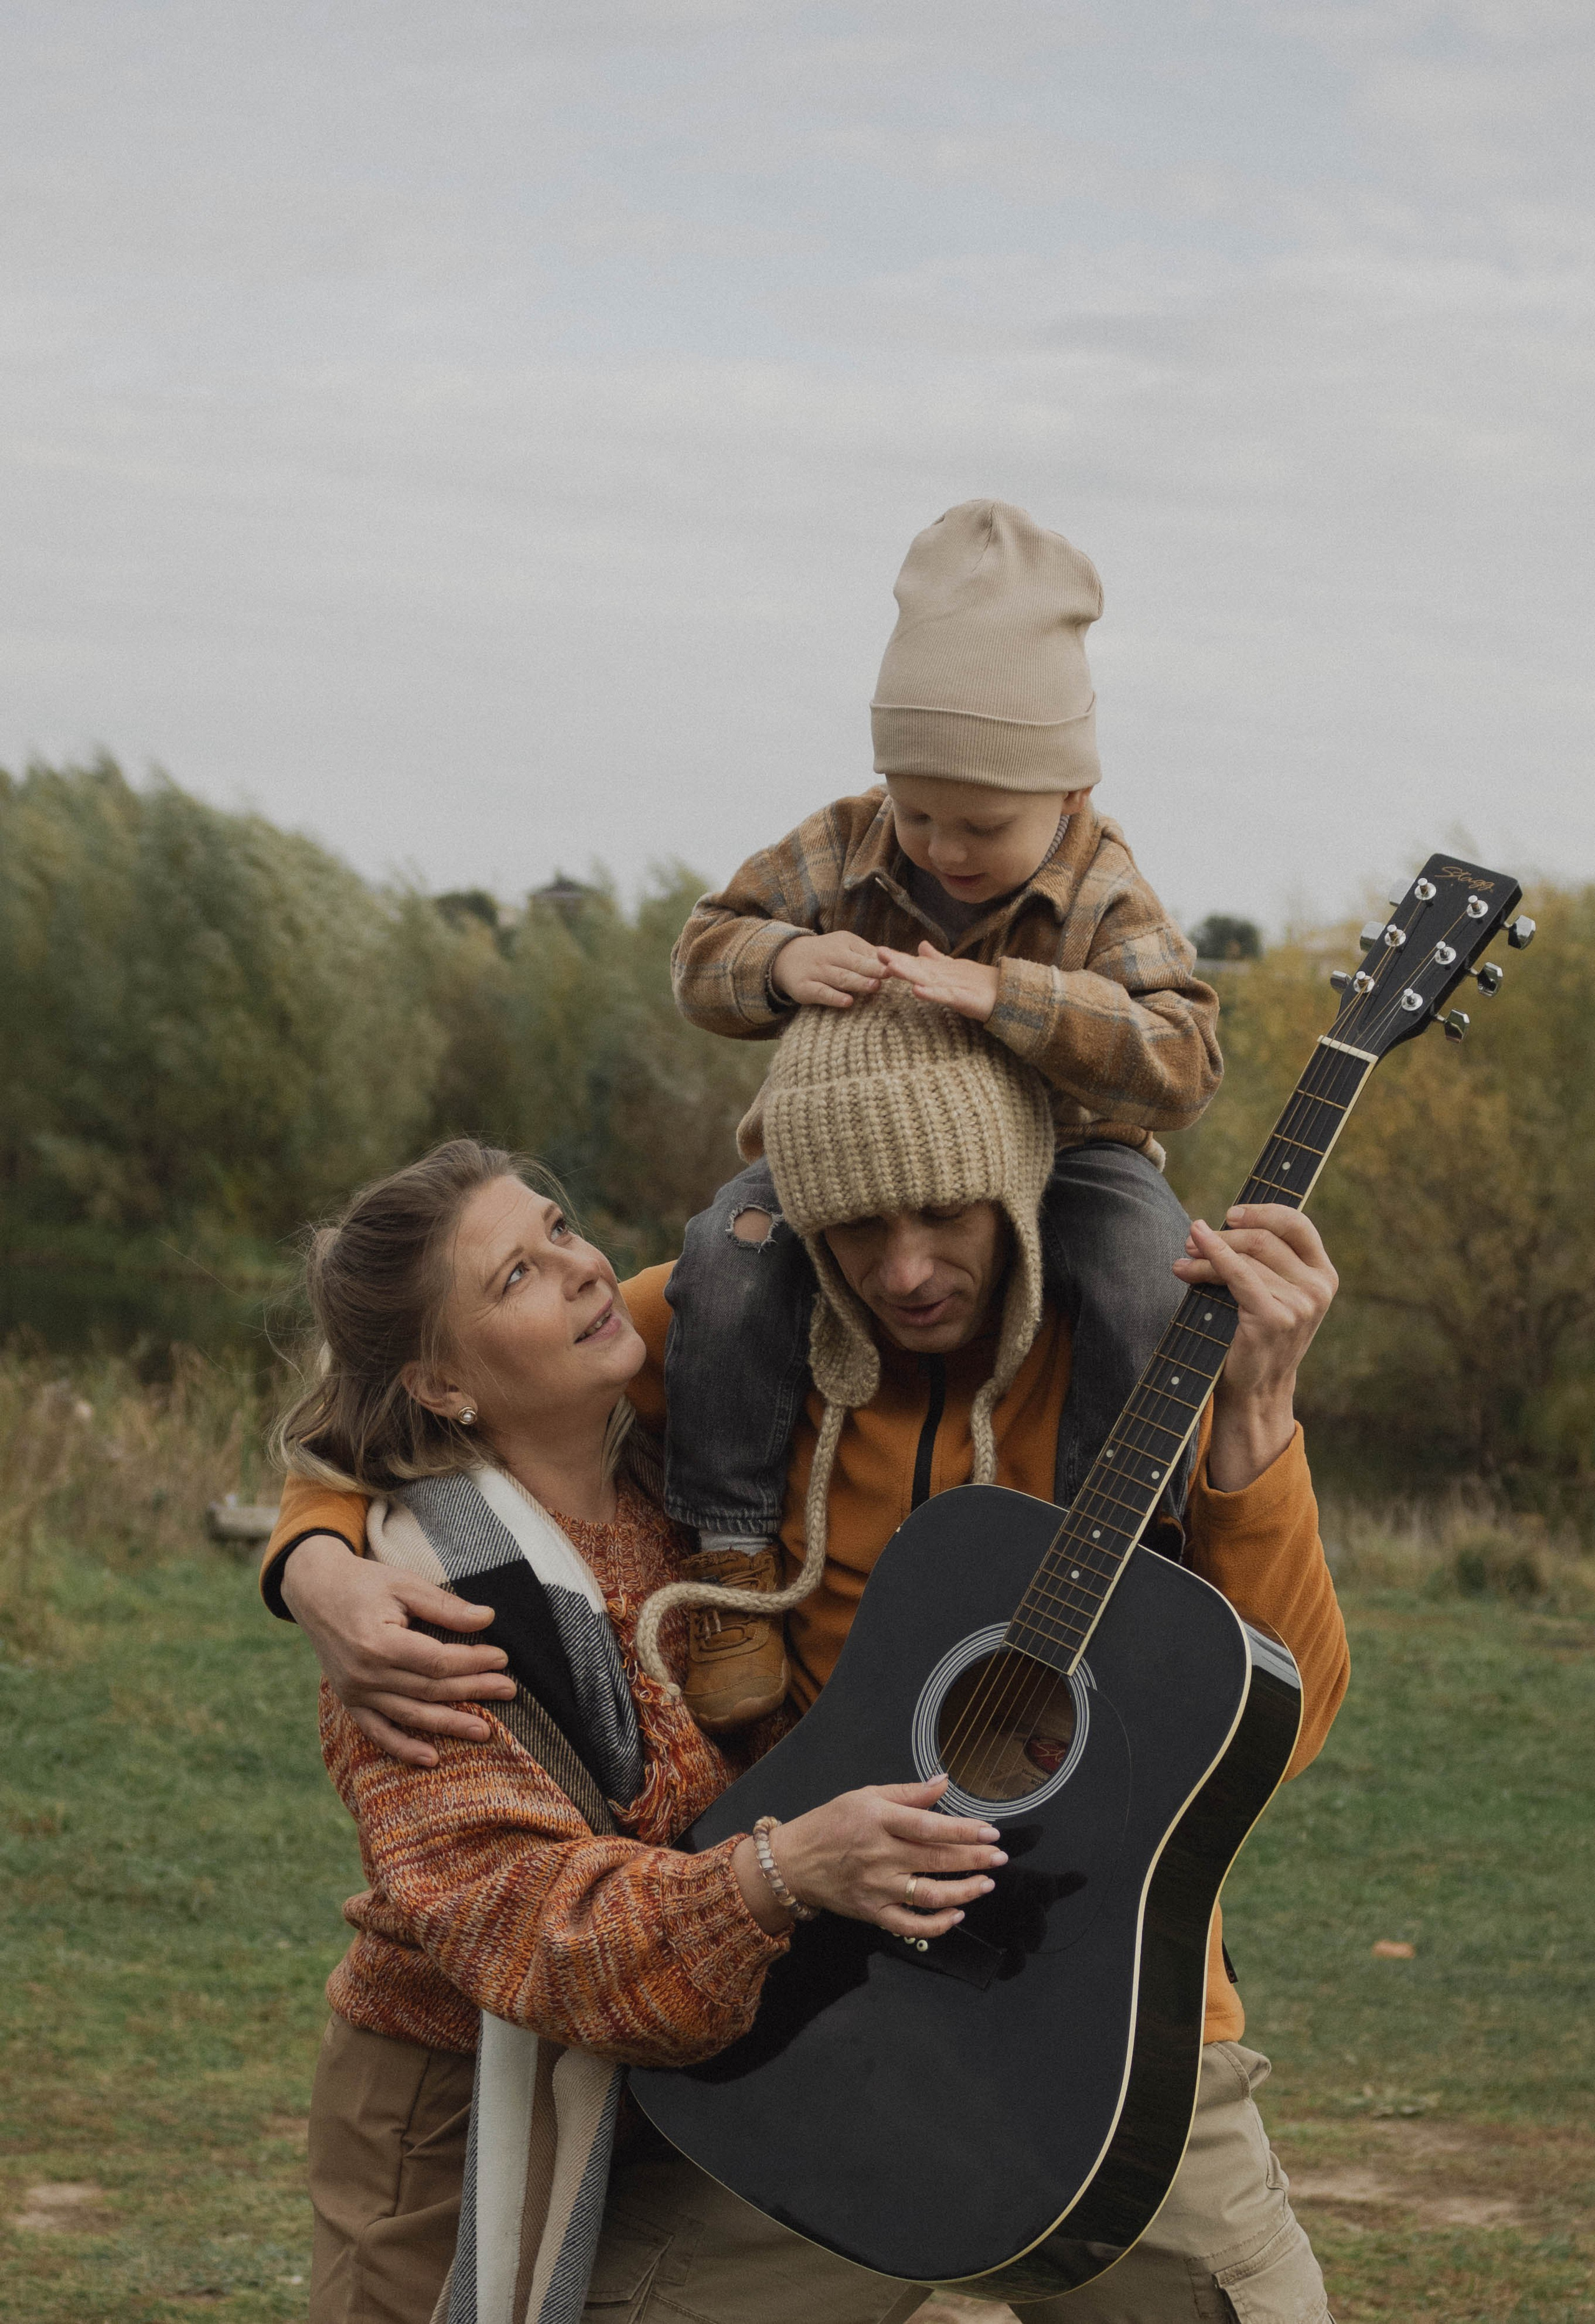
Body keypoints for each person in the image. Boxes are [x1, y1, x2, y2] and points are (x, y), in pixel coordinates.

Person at [267, 990, 1348, 2324]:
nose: (900, 1269)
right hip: (808, 2010)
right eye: (854, 1224)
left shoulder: (1145, 1342)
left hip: (1100, 1997)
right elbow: (399, 1442)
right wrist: (315, 1556)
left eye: (944, 1208)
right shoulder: (724, 1344)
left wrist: (1254, 1418)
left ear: (1018, 1190)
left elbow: (1272, 1723)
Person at [272, 1137, 1005, 2324]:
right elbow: (530, 1928)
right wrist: (784, 1871)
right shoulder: (424, 1606)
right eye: (514, 1276)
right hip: (460, 2104)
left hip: (702, 2072)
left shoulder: (701, 1483)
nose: (580, 1268)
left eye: (559, 1226)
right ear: (442, 1385)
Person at [660, 497, 1223, 1730]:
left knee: (1146, 1280)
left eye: (982, 825)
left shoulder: (1098, 883)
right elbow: (699, 949)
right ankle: (734, 1559)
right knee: (724, 1257)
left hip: (1069, 1156)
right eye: (919, 813)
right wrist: (775, 964)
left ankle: (1105, 1568)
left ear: (1068, 788)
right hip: (857, 1158)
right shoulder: (844, 845)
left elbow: (1181, 1054)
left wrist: (1014, 997)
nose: (944, 849)